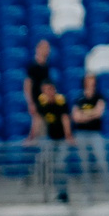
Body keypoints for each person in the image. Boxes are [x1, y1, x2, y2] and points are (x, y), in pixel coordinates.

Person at [71, 72, 109, 199]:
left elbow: (99, 113)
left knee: (102, 163)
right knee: (84, 165)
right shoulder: (78, 98)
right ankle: (88, 195)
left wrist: (85, 115)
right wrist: (91, 115)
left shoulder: (99, 97)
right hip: (81, 134)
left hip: (95, 133)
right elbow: (76, 117)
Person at [35, 73, 75, 201]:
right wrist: (34, 136)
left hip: (61, 139)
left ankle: (63, 193)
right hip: (50, 138)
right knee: (44, 164)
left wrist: (69, 136)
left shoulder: (60, 101)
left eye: (49, 89)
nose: (47, 92)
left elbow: (65, 119)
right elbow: (39, 119)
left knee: (60, 165)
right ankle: (46, 193)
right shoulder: (42, 101)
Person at [21, 37, 55, 132]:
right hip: (37, 103)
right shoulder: (33, 66)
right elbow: (27, 85)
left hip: (45, 103)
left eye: (48, 48)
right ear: (38, 49)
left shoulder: (46, 66)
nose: (47, 50)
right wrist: (31, 102)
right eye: (44, 48)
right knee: (38, 127)